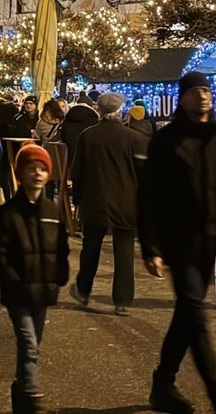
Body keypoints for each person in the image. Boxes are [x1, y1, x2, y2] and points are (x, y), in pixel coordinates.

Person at [138, 72, 216, 414]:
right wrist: (151, 246)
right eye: (194, 92)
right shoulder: (166, 141)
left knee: (185, 314)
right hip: (179, 240)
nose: (202, 96)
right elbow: (148, 196)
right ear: (182, 98)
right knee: (195, 312)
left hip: (213, 238)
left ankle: (163, 384)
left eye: (206, 90)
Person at [0, 143, 69, 414]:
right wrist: (11, 281)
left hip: (44, 289)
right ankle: (32, 396)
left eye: (42, 168)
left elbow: (61, 247)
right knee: (29, 341)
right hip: (17, 292)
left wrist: (60, 274)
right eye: (30, 168)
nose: (36, 173)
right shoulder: (7, 214)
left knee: (33, 344)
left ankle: (21, 393)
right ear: (19, 173)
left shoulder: (52, 211)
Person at [69, 92, 142, 316]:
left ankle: (83, 290)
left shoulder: (88, 136)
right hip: (126, 201)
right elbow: (142, 173)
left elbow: (77, 171)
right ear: (120, 111)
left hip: (94, 200)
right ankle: (122, 301)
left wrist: (77, 199)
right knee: (124, 252)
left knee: (90, 248)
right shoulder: (133, 138)